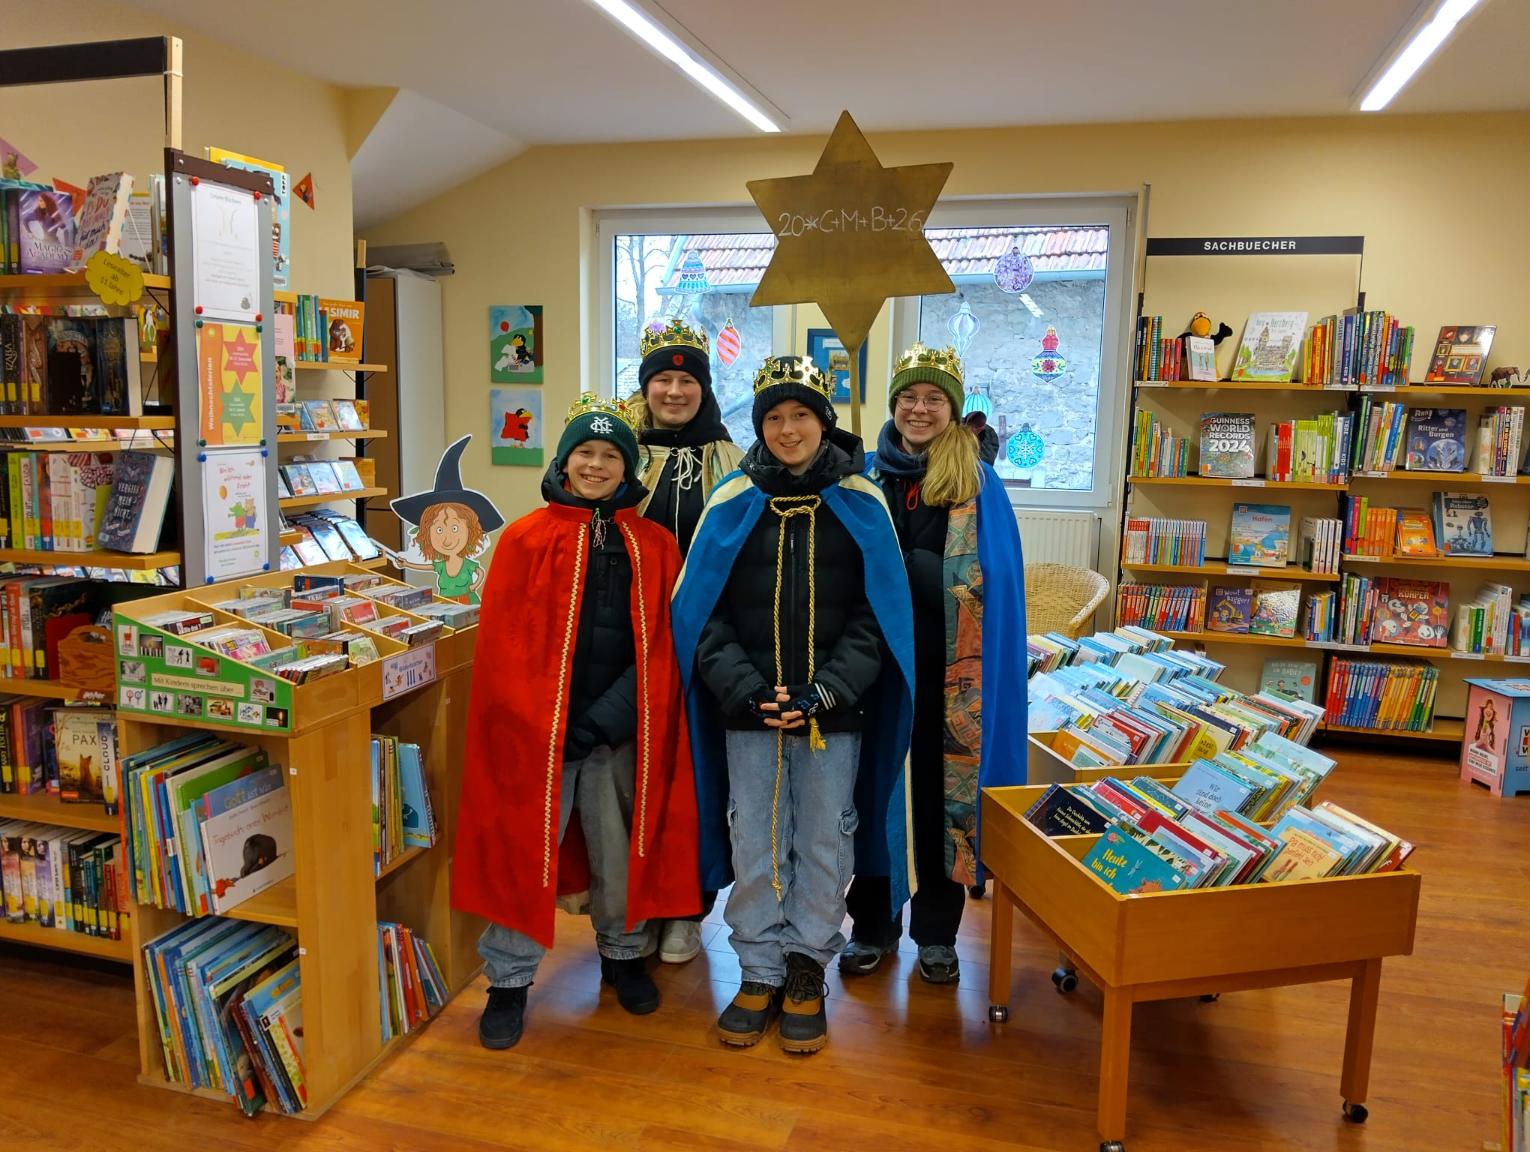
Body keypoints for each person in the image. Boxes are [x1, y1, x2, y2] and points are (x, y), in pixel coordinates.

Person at [673, 354, 913, 1055]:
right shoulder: (731, 500)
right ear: (760, 425)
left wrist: (824, 692)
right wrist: (746, 689)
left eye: (800, 414)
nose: (787, 428)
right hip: (747, 711)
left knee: (822, 838)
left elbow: (880, 619)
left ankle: (807, 966)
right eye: (773, 417)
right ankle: (757, 967)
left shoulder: (860, 502)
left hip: (832, 715)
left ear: (823, 422)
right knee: (755, 836)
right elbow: (701, 612)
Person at [453, 394, 700, 1052]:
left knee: (619, 853)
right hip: (537, 740)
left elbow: (661, 650)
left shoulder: (655, 546)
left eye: (610, 455)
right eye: (585, 453)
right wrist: (544, 724)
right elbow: (504, 650)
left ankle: (622, 957)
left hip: (616, 735)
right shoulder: (525, 539)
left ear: (628, 468)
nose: (596, 464)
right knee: (521, 853)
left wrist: (602, 720)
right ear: (564, 462)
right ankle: (508, 981)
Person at [840, 342, 1029, 985]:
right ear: (892, 405)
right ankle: (872, 924)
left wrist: (911, 574)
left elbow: (995, 577)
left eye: (934, 399)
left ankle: (937, 934)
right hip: (874, 670)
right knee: (872, 795)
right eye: (908, 398)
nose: (919, 410)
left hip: (949, 672)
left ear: (953, 409)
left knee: (940, 799)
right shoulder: (861, 475)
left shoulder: (976, 482)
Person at [629, 318, 745, 965]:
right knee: (636, 781)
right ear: (646, 388)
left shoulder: (731, 460)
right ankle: (637, 905)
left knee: (699, 782)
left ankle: (689, 907)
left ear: (703, 387)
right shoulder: (623, 455)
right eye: (662, 380)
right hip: (635, 651)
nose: (674, 391)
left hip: (707, 652)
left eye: (686, 379)